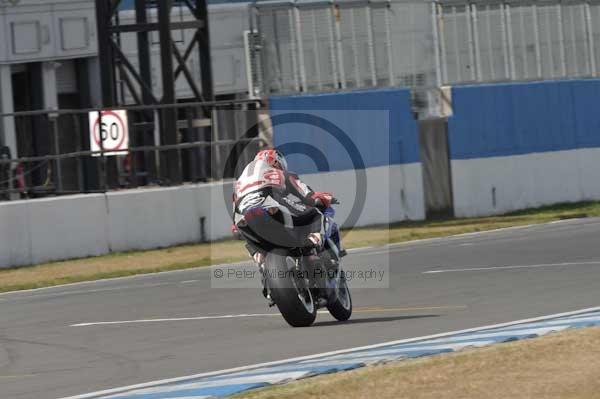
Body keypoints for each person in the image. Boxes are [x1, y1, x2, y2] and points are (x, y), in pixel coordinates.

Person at [231, 149, 346, 269]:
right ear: (275, 162)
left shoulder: (239, 183)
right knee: (315, 213)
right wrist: (324, 198)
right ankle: (313, 240)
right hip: (270, 205)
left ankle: (259, 257)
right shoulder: (280, 173)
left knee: (245, 231)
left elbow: (235, 223)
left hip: (244, 218)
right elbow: (309, 197)